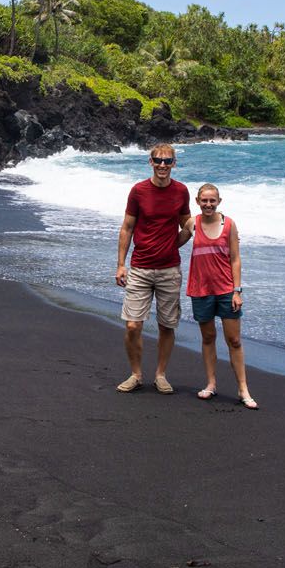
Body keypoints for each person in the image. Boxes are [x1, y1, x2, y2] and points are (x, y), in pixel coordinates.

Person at [115, 143, 192, 394]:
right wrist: (120, 264)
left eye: (167, 161)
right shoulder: (138, 191)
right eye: (158, 161)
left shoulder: (181, 191)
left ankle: (160, 374)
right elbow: (127, 227)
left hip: (170, 269)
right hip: (140, 267)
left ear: (174, 163)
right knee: (132, 325)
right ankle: (136, 374)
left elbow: (186, 224)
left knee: (167, 325)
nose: (162, 165)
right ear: (150, 162)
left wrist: (203, 228)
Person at [188, 184, 256, 409]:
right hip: (201, 289)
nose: (208, 204)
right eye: (204, 201)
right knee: (208, 338)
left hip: (226, 290)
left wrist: (237, 291)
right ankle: (211, 384)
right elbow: (172, 241)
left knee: (234, 341)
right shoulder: (192, 224)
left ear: (219, 201)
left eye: (212, 201)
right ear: (197, 201)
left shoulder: (229, 225)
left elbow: (235, 259)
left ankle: (243, 389)